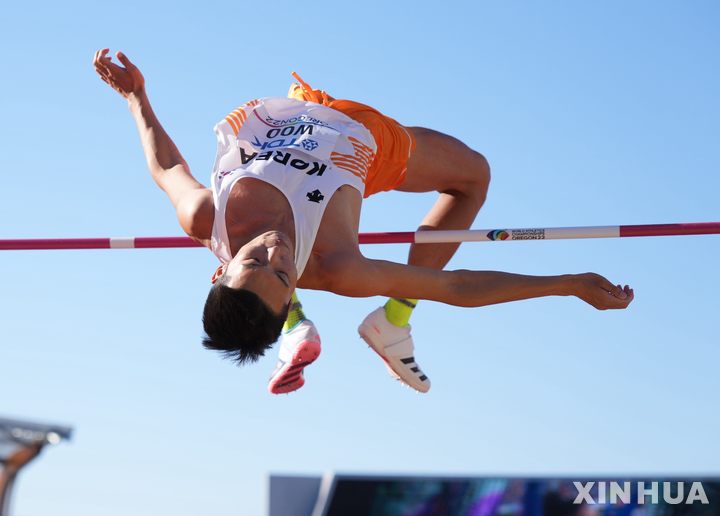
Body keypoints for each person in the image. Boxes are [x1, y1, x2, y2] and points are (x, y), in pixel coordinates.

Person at [93, 49, 634, 394]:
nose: (275, 250)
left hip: (294, 112)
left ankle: (382, 326)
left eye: (252, 259)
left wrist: (137, 97)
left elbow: (168, 167)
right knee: (473, 176)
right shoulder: (338, 266)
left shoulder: (205, 215)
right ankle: (394, 318)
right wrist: (567, 284)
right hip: (367, 143)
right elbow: (456, 286)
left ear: (219, 270)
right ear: (291, 295)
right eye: (283, 274)